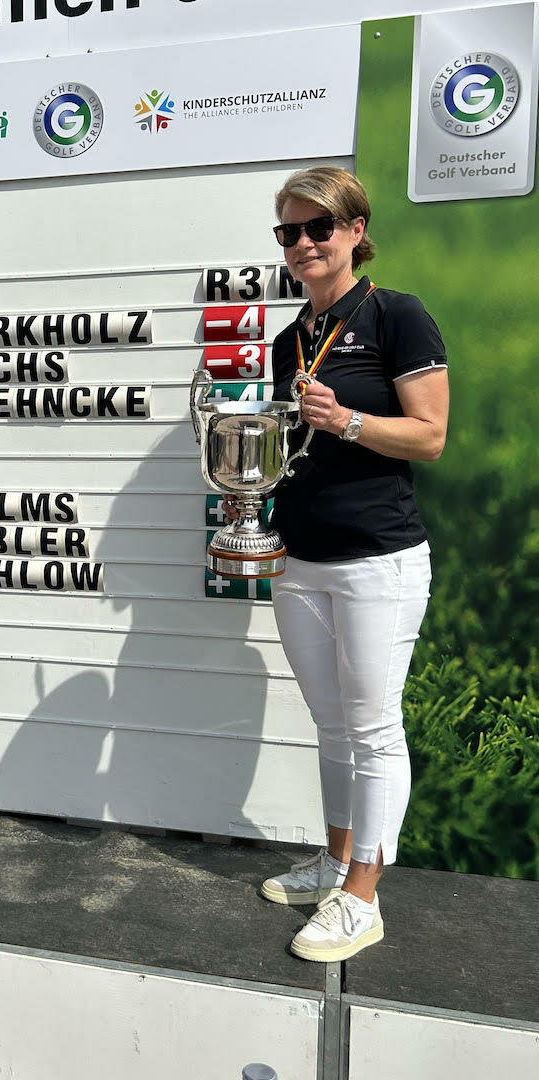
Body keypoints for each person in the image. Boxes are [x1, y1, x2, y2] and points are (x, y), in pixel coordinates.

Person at [258, 167, 449, 961]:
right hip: (301, 560)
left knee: (372, 729)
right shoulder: (288, 339)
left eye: (317, 230)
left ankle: (362, 897)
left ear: (355, 230)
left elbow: (430, 435)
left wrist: (346, 419)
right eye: (288, 233)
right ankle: (335, 860)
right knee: (331, 724)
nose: (303, 244)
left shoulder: (397, 316)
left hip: (379, 559)